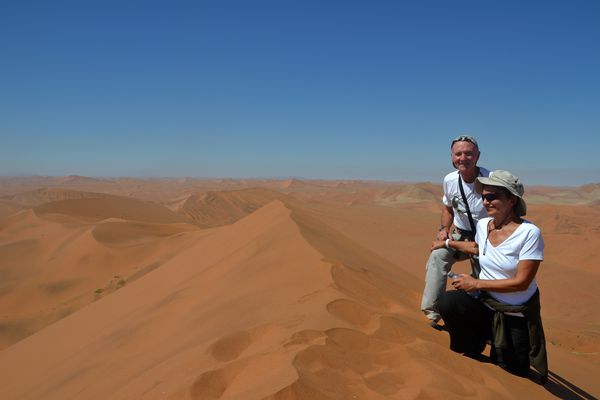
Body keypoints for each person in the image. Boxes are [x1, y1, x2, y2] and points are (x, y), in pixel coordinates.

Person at [432, 170, 548, 382]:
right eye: (483, 196)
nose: (485, 202)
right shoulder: (485, 225)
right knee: (448, 303)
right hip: (485, 302)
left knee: (513, 371)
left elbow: (521, 283)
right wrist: (446, 243)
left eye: (492, 196)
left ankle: (500, 344)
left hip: (513, 312)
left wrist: (476, 282)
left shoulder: (529, 233)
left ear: (512, 200)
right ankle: (475, 344)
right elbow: (479, 248)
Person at [421, 135, 491, 326]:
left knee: (485, 280)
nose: (463, 158)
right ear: (452, 157)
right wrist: (444, 228)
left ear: (477, 156)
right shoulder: (450, 180)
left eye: (468, 153)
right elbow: (448, 209)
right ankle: (433, 311)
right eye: (458, 154)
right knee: (438, 256)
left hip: (488, 238)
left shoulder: (490, 179)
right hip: (461, 234)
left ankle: (485, 323)